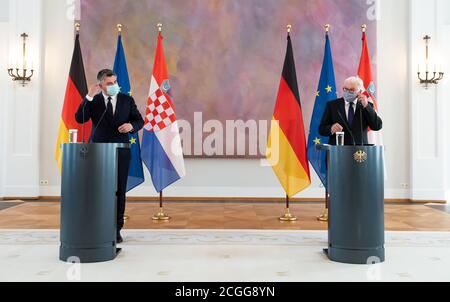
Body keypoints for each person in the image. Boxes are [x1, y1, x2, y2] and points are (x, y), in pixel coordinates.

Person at [75, 69, 144, 243]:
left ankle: (116, 230)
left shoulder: (127, 100)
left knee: (119, 190)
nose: (114, 86)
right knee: (99, 190)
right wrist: (89, 96)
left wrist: (131, 126)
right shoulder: (94, 101)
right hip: (98, 152)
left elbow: (139, 120)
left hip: (121, 151)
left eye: (115, 82)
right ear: (100, 85)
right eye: (109, 83)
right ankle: (98, 227)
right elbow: (80, 118)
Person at [319, 76, 382, 145]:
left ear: (360, 91)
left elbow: (377, 126)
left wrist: (366, 106)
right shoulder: (332, 105)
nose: (347, 92)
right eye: (345, 89)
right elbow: (321, 129)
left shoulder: (366, 105)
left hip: (360, 152)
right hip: (338, 151)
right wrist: (331, 128)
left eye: (351, 90)